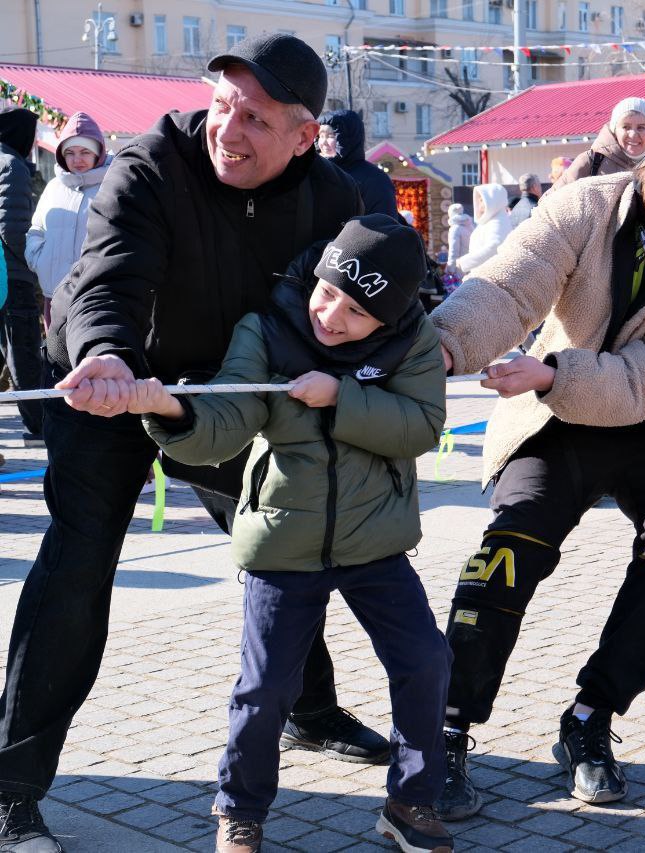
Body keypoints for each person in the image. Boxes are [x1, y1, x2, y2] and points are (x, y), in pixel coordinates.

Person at [0, 35, 387, 853]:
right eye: (221, 107)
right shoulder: (149, 164)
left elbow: (346, 315)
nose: (228, 131)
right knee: (76, 565)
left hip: (224, 396)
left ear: (305, 137)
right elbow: (109, 278)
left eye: (255, 119)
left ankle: (310, 709)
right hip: (109, 383)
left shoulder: (332, 198)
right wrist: (109, 354)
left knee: (283, 541)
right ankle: (13, 788)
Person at [426, 100, 645, 817]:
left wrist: (554, 373)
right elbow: (508, 285)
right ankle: (446, 726)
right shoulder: (584, 205)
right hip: (556, 413)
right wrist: (444, 348)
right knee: (507, 548)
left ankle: (590, 717)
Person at [128, 216, 450, 853]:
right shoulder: (267, 328)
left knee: (425, 661)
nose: (331, 316)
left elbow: (422, 427)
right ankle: (240, 811)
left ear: (387, 319)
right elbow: (227, 416)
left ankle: (411, 803)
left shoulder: (413, 339)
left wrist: (341, 397)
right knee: (267, 687)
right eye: (327, 293)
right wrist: (168, 409)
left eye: (356, 312)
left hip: (376, 541)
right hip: (282, 542)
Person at [25, 113, 111, 329]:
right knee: (56, 349)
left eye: (85, 152)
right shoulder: (54, 187)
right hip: (54, 293)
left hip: (95, 294)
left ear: (98, 153)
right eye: (70, 153)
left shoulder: (112, 185)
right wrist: (38, 259)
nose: (77, 159)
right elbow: (37, 228)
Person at [0, 104, 44, 444]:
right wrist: (32, 265)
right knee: (24, 351)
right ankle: (39, 425)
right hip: (13, 274)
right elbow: (12, 228)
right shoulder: (11, 165)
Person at [551, 97, 645, 189]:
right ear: (615, 130)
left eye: (641, 127)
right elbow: (551, 200)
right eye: (626, 127)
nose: (633, 134)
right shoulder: (591, 161)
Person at [315, 109, 399, 218]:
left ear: (349, 139)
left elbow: (384, 222)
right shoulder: (315, 172)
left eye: (330, 136)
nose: (323, 143)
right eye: (321, 136)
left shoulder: (374, 179)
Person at [454, 183, 511, 273]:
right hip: (485, 274)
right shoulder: (492, 220)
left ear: (493, 200)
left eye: (482, 200)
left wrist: (464, 262)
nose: (479, 205)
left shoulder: (498, 222)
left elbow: (494, 248)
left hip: (490, 275)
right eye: (479, 200)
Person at [445, 202, 474, 270]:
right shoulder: (470, 226)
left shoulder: (455, 229)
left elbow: (454, 251)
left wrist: (450, 268)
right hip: (472, 264)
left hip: (460, 267)